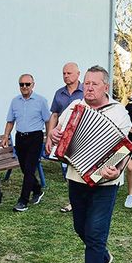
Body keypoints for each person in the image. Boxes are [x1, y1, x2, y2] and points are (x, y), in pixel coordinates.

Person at [49, 65, 131, 263]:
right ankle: (102, 256)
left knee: (96, 230)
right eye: (86, 83)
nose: (89, 87)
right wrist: (54, 136)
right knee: (80, 226)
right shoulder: (76, 107)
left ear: (106, 87)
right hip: (76, 175)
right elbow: (61, 133)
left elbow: (124, 150)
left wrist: (115, 169)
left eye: (95, 84)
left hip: (106, 181)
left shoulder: (119, 113)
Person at [3, 73, 50, 212]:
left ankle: (23, 201)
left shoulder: (41, 101)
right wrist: (6, 135)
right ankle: (37, 189)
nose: (24, 87)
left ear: (33, 85)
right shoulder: (15, 101)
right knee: (25, 169)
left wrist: (48, 139)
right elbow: (10, 121)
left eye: (27, 84)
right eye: (21, 84)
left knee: (30, 169)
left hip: (35, 137)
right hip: (20, 138)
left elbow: (48, 121)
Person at [45, 62, 83, 213]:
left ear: (78, 74)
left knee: (81, 168)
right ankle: (72, 201)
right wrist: (49, 136)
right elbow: (54, 115)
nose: (66, 76)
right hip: (63, 138)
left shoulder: (85, 92)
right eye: (64, 73)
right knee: (69, 169)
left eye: (69, 73)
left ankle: (83, 199)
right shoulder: (59, 93)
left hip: (81, 137)